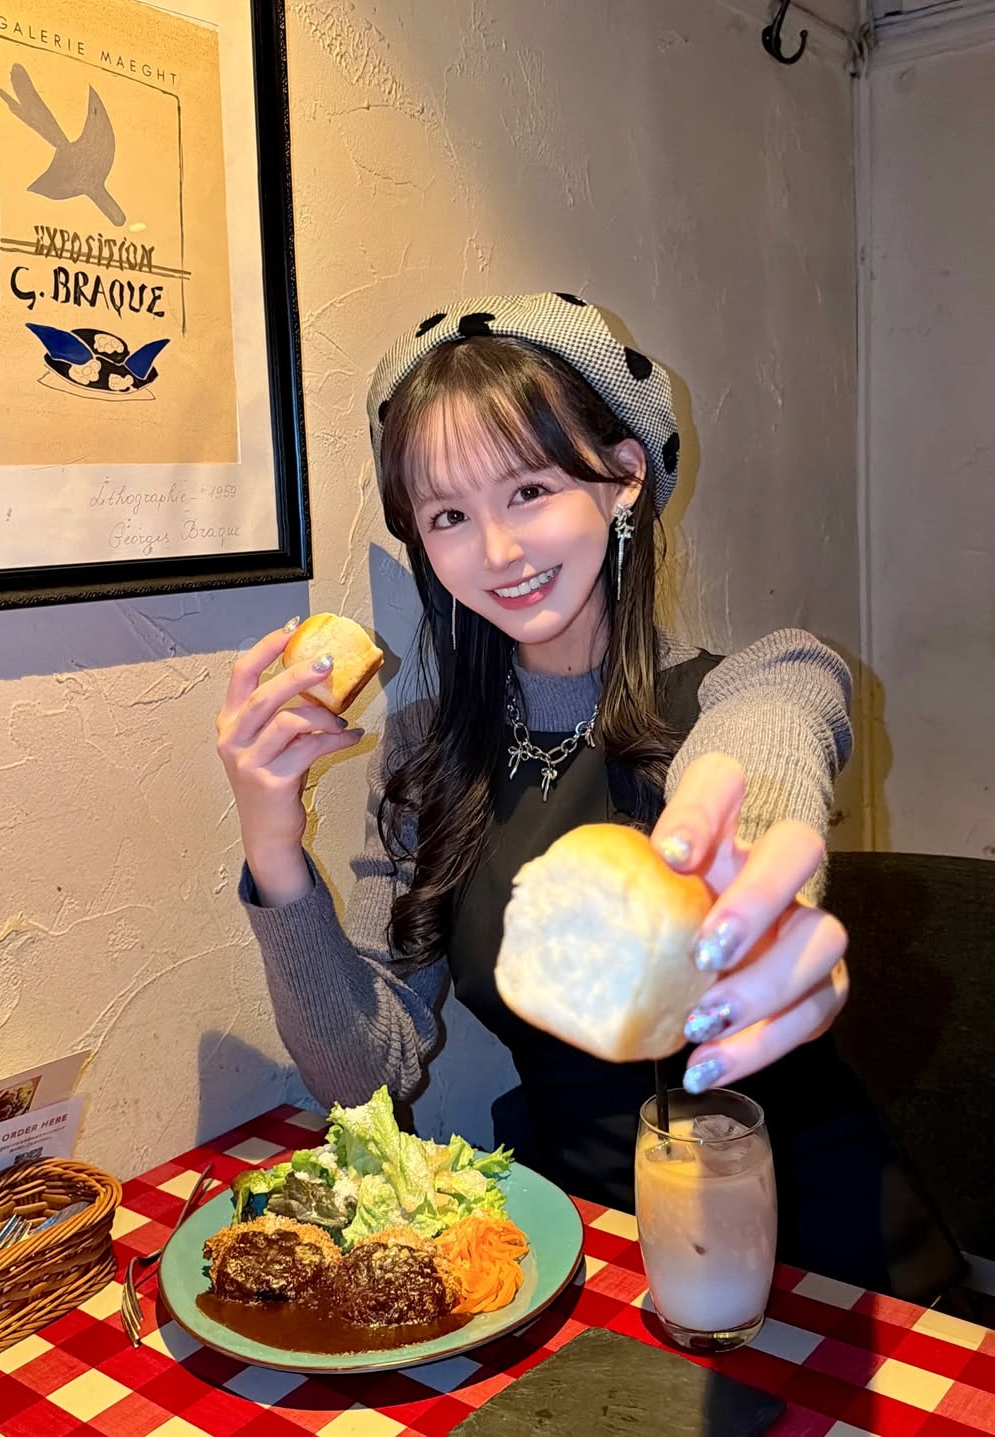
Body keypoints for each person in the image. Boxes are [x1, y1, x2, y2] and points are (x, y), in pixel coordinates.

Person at [217, 294, 961, 1301]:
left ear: (622, 479)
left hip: (818, 1248)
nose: (498, 550)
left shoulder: (741, 687)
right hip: (589, 1252)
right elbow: (367, 1075)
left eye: (529, 489)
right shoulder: (428, 753)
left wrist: (731, 848)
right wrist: (273, 849)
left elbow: (778, 723)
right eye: (449, 516)